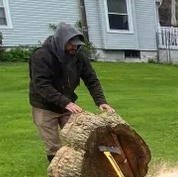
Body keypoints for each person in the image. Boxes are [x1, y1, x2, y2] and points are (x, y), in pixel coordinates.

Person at [29, 23, 115, 162]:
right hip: (44, 106)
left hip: (67, 105)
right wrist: (66, 103)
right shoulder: (41, 55)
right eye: (71, 44)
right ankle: (57, 171)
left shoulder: (78, 57)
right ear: (61, 41)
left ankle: (79, 168)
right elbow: (41, 85)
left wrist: (101, 101)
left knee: (78, 138)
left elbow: (91, 79)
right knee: (53, 145)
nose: (74, 48)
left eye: (77, 45)